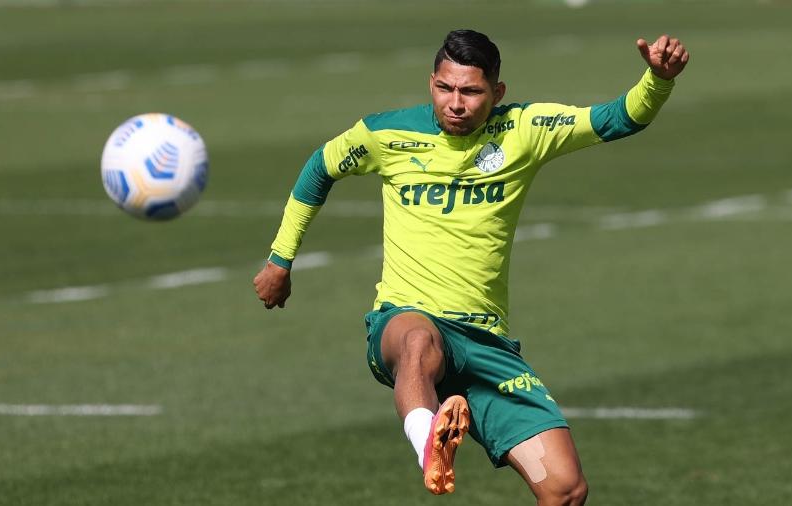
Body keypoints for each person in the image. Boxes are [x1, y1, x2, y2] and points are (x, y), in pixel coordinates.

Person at [254, 29, 689, 505]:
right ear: (432, 83)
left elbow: (617, 119)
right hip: (405, 322)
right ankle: (430, 447)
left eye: (471, 91)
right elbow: (321, 167)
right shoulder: (386, 134)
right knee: (420, 340)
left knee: (565, 490)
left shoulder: (525, 129)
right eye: (445, 88)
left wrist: (658, 79)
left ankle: (444, 430)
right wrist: (280, 259)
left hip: (486, 345)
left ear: (497, 92)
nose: (455, 103)